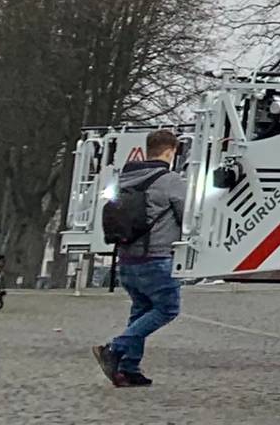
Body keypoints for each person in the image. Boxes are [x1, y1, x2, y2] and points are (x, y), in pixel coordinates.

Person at [94, 129, 187, 388]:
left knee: (141, 309)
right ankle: (115, 349)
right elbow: (187, 215)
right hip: (156, 257)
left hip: (125, 258)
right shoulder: (170, 180)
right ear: (170, 151)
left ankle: (128, 369)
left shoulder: (124, 178)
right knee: (167, 308)